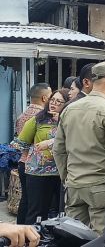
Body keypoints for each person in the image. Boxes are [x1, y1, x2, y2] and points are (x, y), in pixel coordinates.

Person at [54, 62, 105, 233]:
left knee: (73, 236)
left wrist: (67, 177)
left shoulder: (70, 108)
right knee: (101, 238)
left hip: (74, 185)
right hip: (102, 186)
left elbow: (58, 148)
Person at [11, 89, 68, 224]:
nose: (53, 104)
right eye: (52, 100)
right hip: (38, 172)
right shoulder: (38, 120)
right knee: (36, 211)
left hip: (61, 173)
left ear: (66, 105)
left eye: (59, 102)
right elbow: (20, 144)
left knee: (59, 212)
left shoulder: (68, 122)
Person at [14, 84, 50, 224]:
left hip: (23, 162)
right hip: (37, 165)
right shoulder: (42, 117)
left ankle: (20, 230)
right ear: (44, 98)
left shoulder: (22, 115)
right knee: (36, 205)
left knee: (26, 199)